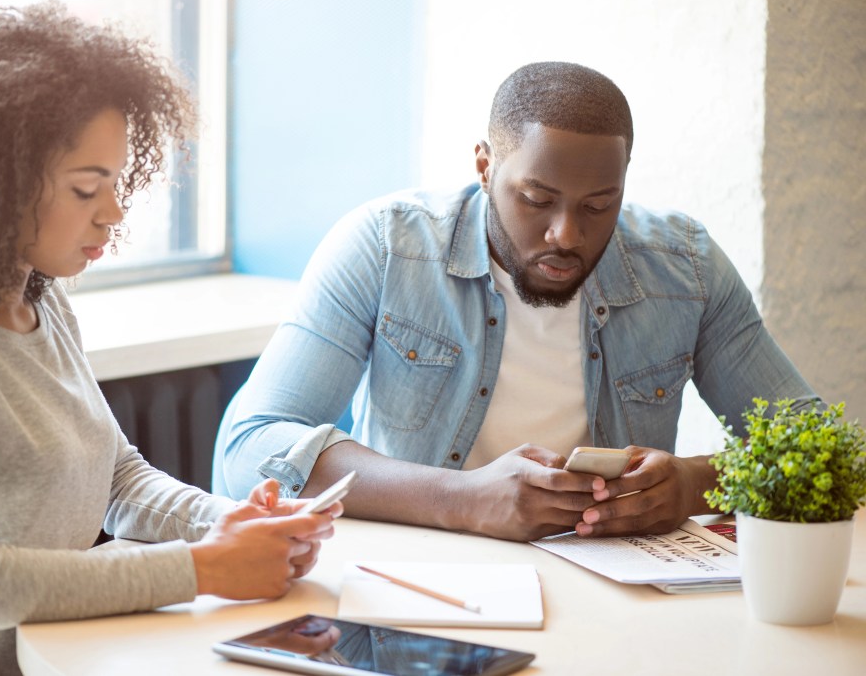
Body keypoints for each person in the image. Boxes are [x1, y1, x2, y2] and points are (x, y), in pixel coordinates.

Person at [0, 3, 339, 675]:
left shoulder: (41, 301)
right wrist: (206, 566)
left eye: (115, 185)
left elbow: (117, 475)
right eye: (85, 189)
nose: (112, 213)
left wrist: (224, 525)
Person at [216, 61, 817, 543]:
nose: (567, 234)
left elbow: (818, 450)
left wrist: (691, 485)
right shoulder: (387, 246)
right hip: (422, 578)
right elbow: (249, 450)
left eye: (598, 205)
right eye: (536, 198)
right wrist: (462, 499)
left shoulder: (685, 267)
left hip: (615, 591)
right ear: (484, 165)